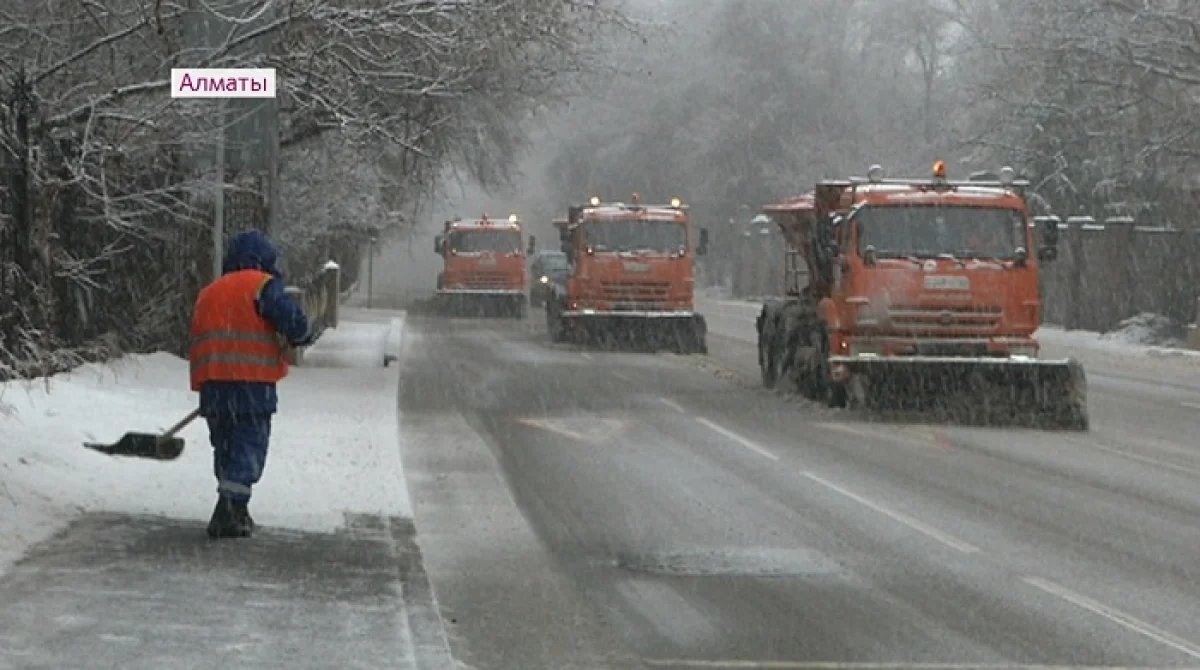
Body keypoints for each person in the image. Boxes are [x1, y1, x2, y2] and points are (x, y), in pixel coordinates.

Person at [189, 229, 315, 539]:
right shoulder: (262, 286)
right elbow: (294, 322)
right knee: (248, 447)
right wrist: (300, 335)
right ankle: (229, 511)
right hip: (251, 382)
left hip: (213, 382)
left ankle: (233, 506)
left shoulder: (210, 291)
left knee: (226, 447)